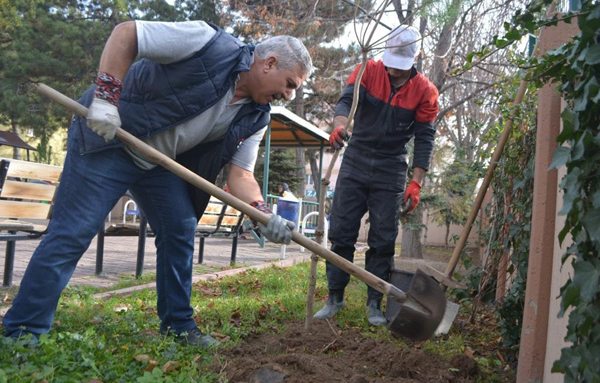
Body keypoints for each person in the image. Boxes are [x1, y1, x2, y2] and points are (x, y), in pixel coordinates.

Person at [3, 20, 312, 347]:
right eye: (290, 84)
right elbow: (127, 34)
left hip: (156, 159)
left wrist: (261, 213)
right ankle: (23, 332)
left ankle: (178, 326)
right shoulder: (209, 44)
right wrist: (107, 99)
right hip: (110, 138)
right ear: (270, 63)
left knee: (180, 227)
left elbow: (242, 175)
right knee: (74, 230)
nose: (289, 96)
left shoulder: (257, 116)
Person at [314, 25, 438, 325]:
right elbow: (345, 102)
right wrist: (339, 125)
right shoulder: (367, 70)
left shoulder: (425, 91)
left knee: (383, 239)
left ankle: (374, 303)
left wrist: (416, 182)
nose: (394, 71)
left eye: (401, 67)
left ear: (415, 58)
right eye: (391, 64)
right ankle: (335, 297)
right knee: (342, 232)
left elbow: (425, 137)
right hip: (356, 159)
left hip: (391, 167)